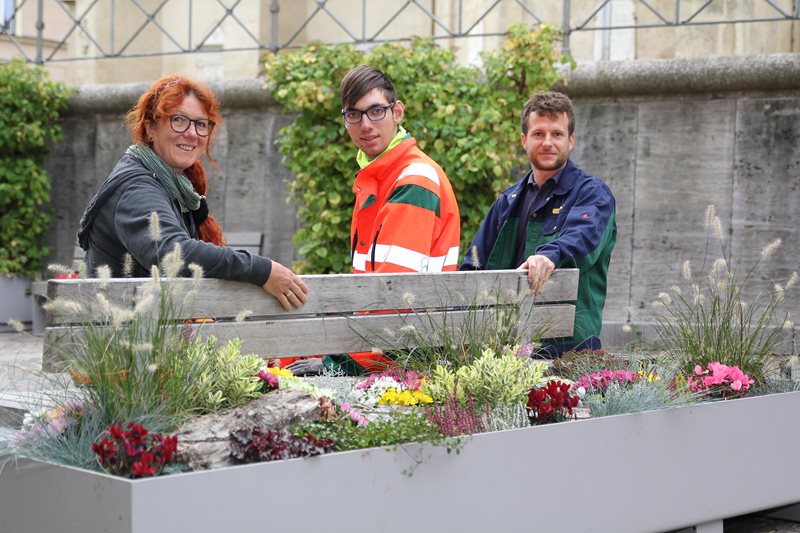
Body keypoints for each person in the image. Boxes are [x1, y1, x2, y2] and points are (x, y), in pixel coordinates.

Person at [77, 75, 308, 310]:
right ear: (150, 129)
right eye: (178, 120)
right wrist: (261, 269)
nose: (192, 133)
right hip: (120, 339)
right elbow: (171, 253)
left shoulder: (174, 184)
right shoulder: (136, 186)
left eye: (201, 124)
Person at [287, 65, 461, 375]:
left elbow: (393, 297)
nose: (366, 124)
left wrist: (334, 364)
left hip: (406, 359)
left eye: (376, 111)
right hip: (389, 351)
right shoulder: (380, 177)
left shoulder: (413, 179)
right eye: (354, 114)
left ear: (398, 112)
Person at [461, 91, 616, 357]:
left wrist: (549, 255)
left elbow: (584, 238)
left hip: (570, 353)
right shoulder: (508, 201)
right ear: (524, 140)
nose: (547, 142)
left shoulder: (592, 193)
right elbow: (473, 267)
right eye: (538, 134)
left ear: (571, 141)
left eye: (557, 134)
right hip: (507, 351)